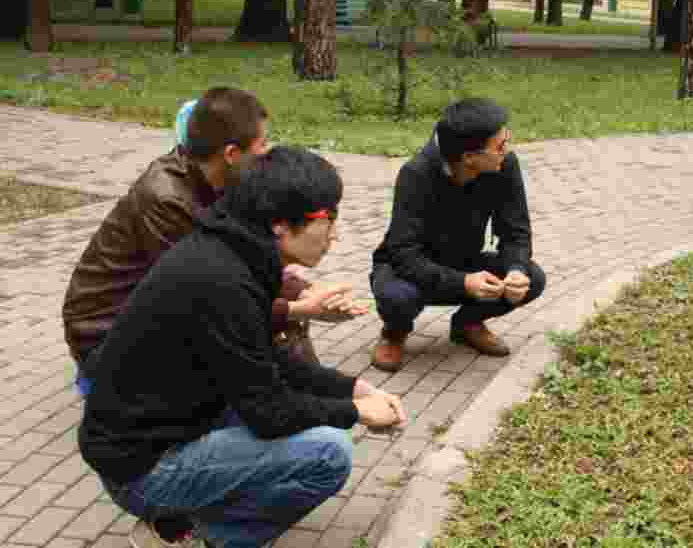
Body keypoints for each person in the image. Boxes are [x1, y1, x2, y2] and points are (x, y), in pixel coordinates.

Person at [78, 146, 406, 548]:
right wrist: (354, 412)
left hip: (148, 440)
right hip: (144, 470)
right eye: (329, 218)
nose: (335, 233)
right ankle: (199, 537)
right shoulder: (223, 279)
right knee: (328, 452)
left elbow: (263, 358)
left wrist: (351, 388)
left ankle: (181, 521)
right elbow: (268, 412)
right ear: (281, 225)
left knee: (309, 422)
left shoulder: (233, 252)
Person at [63, 87, 362, 395]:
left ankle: (295, 395)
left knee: (277, 322)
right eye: (262, 144)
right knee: (263, 331)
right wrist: (301, 308)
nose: (267, 154)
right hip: (105, 335)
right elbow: (208, 300)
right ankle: (284, 403)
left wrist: (310, 292)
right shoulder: (167, 200)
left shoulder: (219, 179)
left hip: (159, 314)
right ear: (231, 154)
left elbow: (246, 259)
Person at [369, 97, 546, 372]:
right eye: (500, 146)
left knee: (533, 278)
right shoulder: (415, 174)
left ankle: (467, 325)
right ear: (469, 157)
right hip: (409, 269)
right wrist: (462, 283)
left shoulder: (503, 166)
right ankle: (394, 332)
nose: (507, 151)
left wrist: (516, 270)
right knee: (397, 297)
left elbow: (516, 232)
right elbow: (403, 254)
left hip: (464, 260)